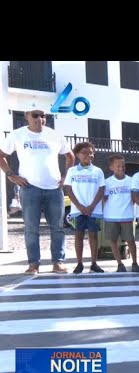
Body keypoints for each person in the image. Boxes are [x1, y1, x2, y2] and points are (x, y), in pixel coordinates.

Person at [0, 105, 75, 274]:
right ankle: (33, 264)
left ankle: (58, 262)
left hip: (54, 189)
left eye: (43, 116)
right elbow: (1, 155)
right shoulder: (17, 135)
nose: (39, 119)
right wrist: (11, 175)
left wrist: (66, 176)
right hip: (29, 188)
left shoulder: (54, 135)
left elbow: (70, 155)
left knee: (57, 227)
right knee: (31, 228)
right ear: (26, 115)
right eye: (35, 115)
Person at [63, 142, 106, 274]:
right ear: (77, 155)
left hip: (95, 210)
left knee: (93, 235)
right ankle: (79, 263)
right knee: (78, 235)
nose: (88, 155)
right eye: (84, 153)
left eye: (90, 152)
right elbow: (68, 189)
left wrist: (92, 206)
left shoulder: (98, 171)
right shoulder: (72, 171)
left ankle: (94, 263)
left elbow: (101, 189)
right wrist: (79, 206)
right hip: (77, 210)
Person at [102, 154, 139, 273]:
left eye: (123, 165)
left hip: (127, 215)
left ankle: (134, 263)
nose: (121, 168)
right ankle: (119, 264)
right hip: (111, 216)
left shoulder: (131, 180)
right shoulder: (108, 182)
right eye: (118, 166)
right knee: (113, 241)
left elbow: (135, 196)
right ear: (111, 167)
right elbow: (105, 198)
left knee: (130, 240)